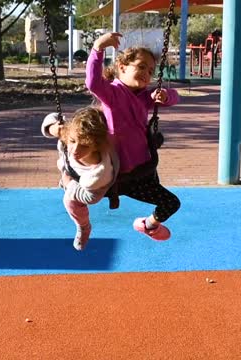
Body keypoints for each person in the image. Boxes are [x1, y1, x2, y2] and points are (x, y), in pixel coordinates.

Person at [85, 32, 181, 241]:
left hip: (142, 172)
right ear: (122, 67)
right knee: (81, 194)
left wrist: (165, 95)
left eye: (150, 71)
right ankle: (81, 221)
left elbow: (175, 97)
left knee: (171, 203)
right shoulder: (112, 93)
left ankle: (147, 225)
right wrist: (98, 48)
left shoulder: (144, 98)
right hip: (117, 174)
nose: (147, 74)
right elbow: (92, 83)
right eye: (141, 66)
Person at [42, 107, 120, 251]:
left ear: (96, 146)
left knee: (69, 200)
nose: (76, 149)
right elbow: (50, 118)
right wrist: (53, 129)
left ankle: (83, 227)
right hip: (71, 170)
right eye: (72, 141)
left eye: (84, 145)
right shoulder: (71, 133)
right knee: (67, 148)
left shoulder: (100, 172)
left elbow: (91, 198)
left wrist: (69, 184)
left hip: (91, 188)